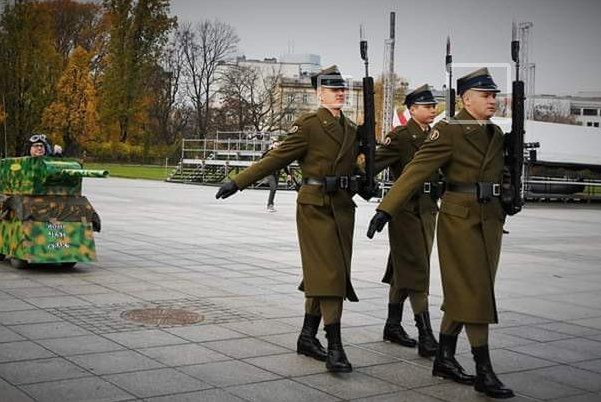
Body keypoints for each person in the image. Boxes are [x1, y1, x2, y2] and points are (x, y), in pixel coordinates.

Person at [367, 68, 515, 398]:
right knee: (475, 292)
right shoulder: (448, 130)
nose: (493, 100)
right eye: (486, 95)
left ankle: (444, 358)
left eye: (494, 95)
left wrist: (510, 194)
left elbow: (502, 174)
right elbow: (415, 171)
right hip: (460, 220)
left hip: (490, 220)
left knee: (472, 290)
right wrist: (385, 209)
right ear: (466, 99)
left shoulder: (493, 132)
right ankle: (483, 370)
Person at [216, 65, 360, 373]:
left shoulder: (350, 128)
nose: (340, 93)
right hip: (316, 208)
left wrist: (364, 180)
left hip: (343, 208)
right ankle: (335, 346)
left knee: (324, 274)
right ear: (319, 93)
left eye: (342, 88)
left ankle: (307, 337)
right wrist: (238, 181)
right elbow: (276, 158)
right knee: (332, 276)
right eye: (334, 89)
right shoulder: (308, 125)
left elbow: (356, 167)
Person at [374, 85, 440, 357]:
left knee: (404, 267)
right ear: (412, 110)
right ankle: (426, 334)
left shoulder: (436, 135)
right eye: (427, 106)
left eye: (433, 106)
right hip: (405, 211)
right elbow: (374, 163)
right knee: (417, 269)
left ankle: (392, 324)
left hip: (428, 209)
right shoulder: (401, 136)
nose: (432, 110)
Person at [262, 140, 292, 212]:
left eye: (278, 146)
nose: (276, 147)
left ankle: (271, 203)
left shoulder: (281, 154)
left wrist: (288, 174)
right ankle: (270, 205)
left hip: (277, 173)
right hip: (269, 173)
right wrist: (269, 150)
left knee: (274, 189)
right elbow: (262, 159)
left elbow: (284, 165)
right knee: (273, 187)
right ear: (272, 145)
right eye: (275, 145)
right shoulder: (269, 153)